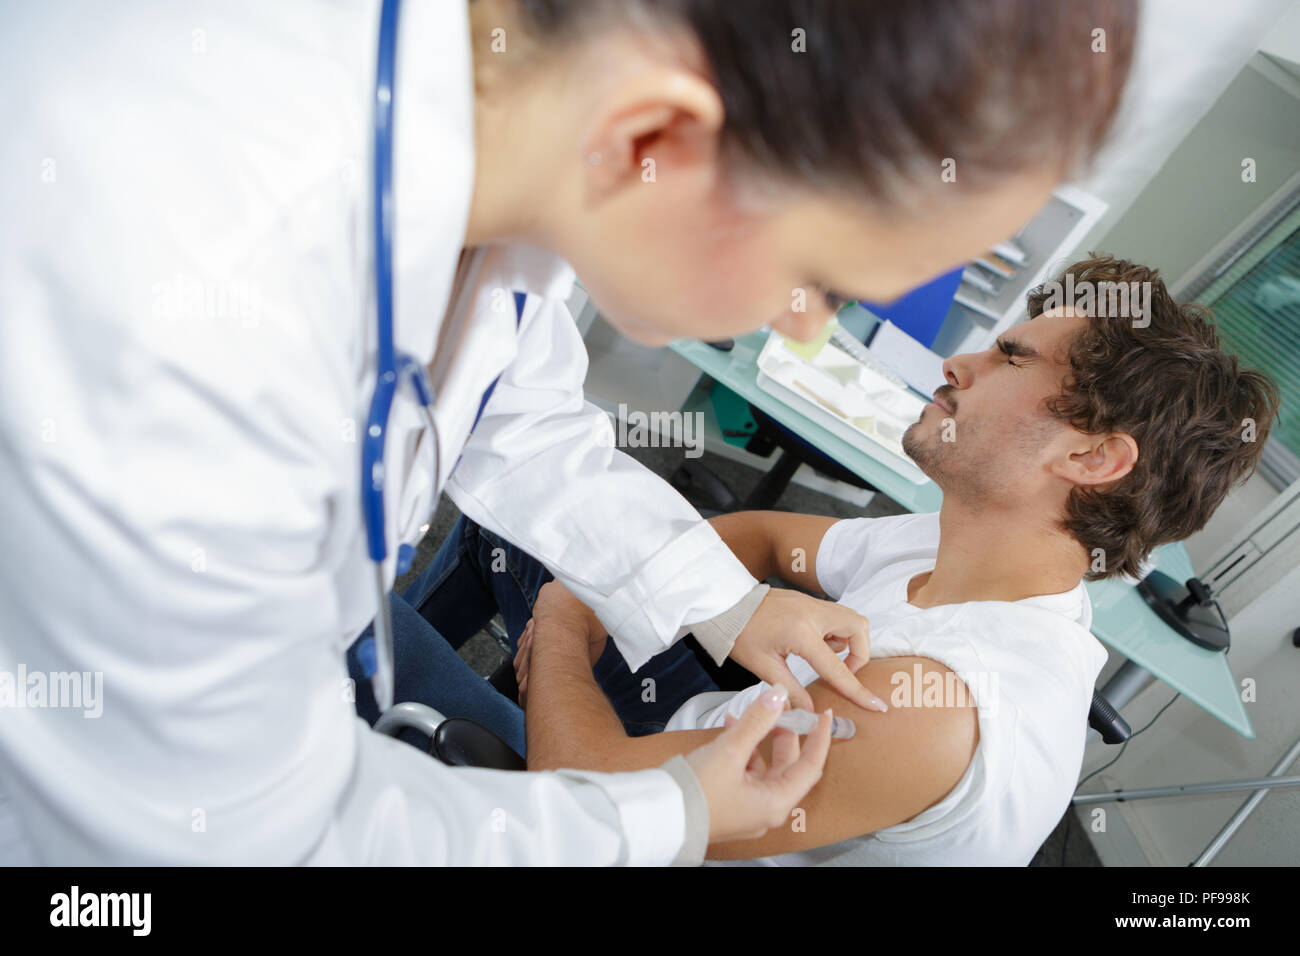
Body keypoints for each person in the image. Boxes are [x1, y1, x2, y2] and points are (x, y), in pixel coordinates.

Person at [0, 0, 1136, 864]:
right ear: (657, 139)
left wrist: (724, 601)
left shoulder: (494, 158)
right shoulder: (189, 291)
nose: (799, 327)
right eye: (822, 278)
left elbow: (516, 405)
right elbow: (252, 829)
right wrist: (667, 809)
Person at [422, 256, 1281, 864]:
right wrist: (716, 604)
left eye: (1010, 357)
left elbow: (592, 798)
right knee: (531, 532)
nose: (958, 360)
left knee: (358, 640)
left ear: (1093, 459)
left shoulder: (933, 710)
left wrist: (567, 633)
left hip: (623, 816)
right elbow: (760, 538)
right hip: (704, 742)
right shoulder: (957, 545)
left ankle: (422, 727)